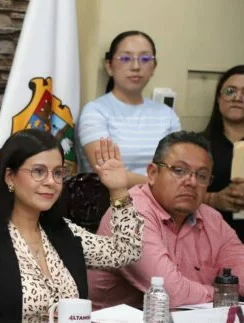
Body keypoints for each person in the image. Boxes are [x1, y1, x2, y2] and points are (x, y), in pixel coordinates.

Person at [0, 129, 143, 323]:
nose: (51, 182)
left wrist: (118, 191)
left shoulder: (65, 233)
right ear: (10, 177)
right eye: (39, 171)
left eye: (57, 173)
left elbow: (126, 251)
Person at [89, 131, 244, 308]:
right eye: (179, 171)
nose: (192, 182)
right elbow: (170, 292)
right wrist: (223, 293)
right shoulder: (130, 214)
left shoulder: (212, 219)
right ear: (152, 173)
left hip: (189, 322)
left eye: (202, 175)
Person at [78, 30, 180, 187]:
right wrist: (163, 184)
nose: (136, 66)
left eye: (145, 59)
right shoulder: (95, 112)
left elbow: (178, 167)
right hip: (111, 199)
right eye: (125, 58)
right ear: (109, 66)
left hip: (163, 200)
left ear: (153, 67)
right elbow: (109, 173)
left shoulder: (167, 115)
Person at [203, 65, 244, 240]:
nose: (237, 98)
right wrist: (213, 199)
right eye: (230, 91)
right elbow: (173, 193)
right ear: (219, 98)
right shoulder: (196, 145)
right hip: (206, 238)